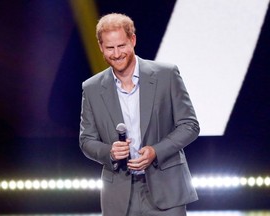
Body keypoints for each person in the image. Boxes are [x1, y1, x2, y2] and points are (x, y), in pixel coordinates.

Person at [79, 13, 200, 216]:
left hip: (166, 189)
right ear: (101, 47)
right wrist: (110, 152)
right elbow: (87, 140)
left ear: (133, 40)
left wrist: (156, 151)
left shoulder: (166, 75)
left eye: (122, 45)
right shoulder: (91, 88)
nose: (117, 54)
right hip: (119, 195)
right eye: (110, 48)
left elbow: (189, 125)